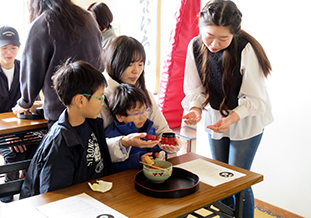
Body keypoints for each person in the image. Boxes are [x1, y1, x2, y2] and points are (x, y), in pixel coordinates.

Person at [181, 0, 273, 217]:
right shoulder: (195, 46)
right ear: (201, 27)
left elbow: (256, 99)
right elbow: (195, 88)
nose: (213, 44)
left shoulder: (246, 49)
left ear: (235, 34)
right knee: (220, 177)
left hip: (246, 120)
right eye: (209, 36)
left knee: (238, 181)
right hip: (216, 116)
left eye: (223, 38)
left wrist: (232, 118)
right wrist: (195, 109)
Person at [20, 60, 114, 199]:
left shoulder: (92, 124)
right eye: (99, 97)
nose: (102, 102)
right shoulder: (60, 144)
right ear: (80, 101)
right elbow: (53, 197)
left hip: (95, 196)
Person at [12, 0, 104, 129]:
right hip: (92, 106)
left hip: (61, 111)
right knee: (91, 147)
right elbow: (100, 64)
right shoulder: (88, 18)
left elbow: (32, 70)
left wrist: (25, 102)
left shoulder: (43, 24)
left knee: (63, 148)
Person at [99, 35, 180, 163]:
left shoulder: (143, 93)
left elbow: (162, 130)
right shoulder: (99, 96)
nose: (136, 71)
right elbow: (95, 146)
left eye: (140, 64)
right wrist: (124, 142)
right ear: (114, 63)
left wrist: (170, 143)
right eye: (130, 65)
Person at [0, 25, 41, 203]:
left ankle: (30, 184)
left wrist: (19, 134)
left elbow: (34, 102)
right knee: (14, 152)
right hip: (2, 132)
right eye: (4, 48)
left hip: (22, 128)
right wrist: (10, 136)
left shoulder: (24, 68)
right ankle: (9, 187)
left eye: (13, 47)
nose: (9, 52)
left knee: (38, 145)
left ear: (19, 47)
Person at [105, 83, 167, 172]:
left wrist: (159, 154)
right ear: (119, 116)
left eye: (145, 110)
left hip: (149, 174)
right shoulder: (112, 136)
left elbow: (154, 148)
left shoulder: (149, 128)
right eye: (136, 113)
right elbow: (112, 168)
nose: (143, 116)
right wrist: (138, 160)